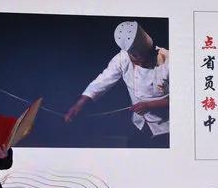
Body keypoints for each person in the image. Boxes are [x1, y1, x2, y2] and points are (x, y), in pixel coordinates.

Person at [64, 20, 170, 148]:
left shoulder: (169, 60)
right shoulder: (122, 58)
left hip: (166, 128)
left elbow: (182, 100)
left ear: (151, 49)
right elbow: (103, 80)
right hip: (140, 124)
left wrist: (150, 105)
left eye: (144, 57)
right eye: (135, 58)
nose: (140, 62)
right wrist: (80, 103)